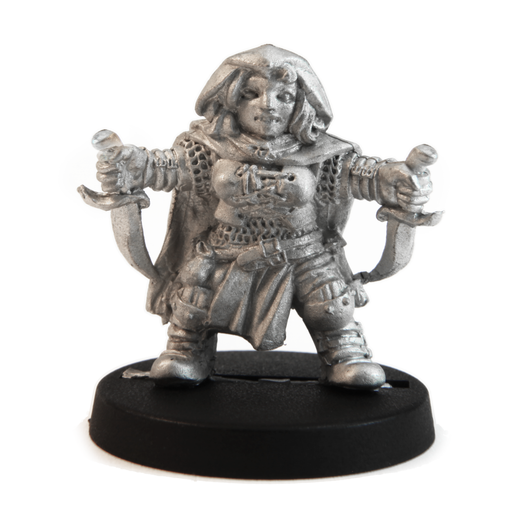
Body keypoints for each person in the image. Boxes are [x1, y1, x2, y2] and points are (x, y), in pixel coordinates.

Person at [95, 45, 433, 390]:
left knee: (329, 302)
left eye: (284, 96)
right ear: (229, 99)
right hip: (225, 248)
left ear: (302, 104)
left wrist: (395, 180)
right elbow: (164, 167)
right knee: (195, 295)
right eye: (250, 94)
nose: (268, 105)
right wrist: (131, 166)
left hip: (303, 252)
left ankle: (343, 349)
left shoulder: (324, 154)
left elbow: (365, 176)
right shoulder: (207, 148)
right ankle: (187, 347)